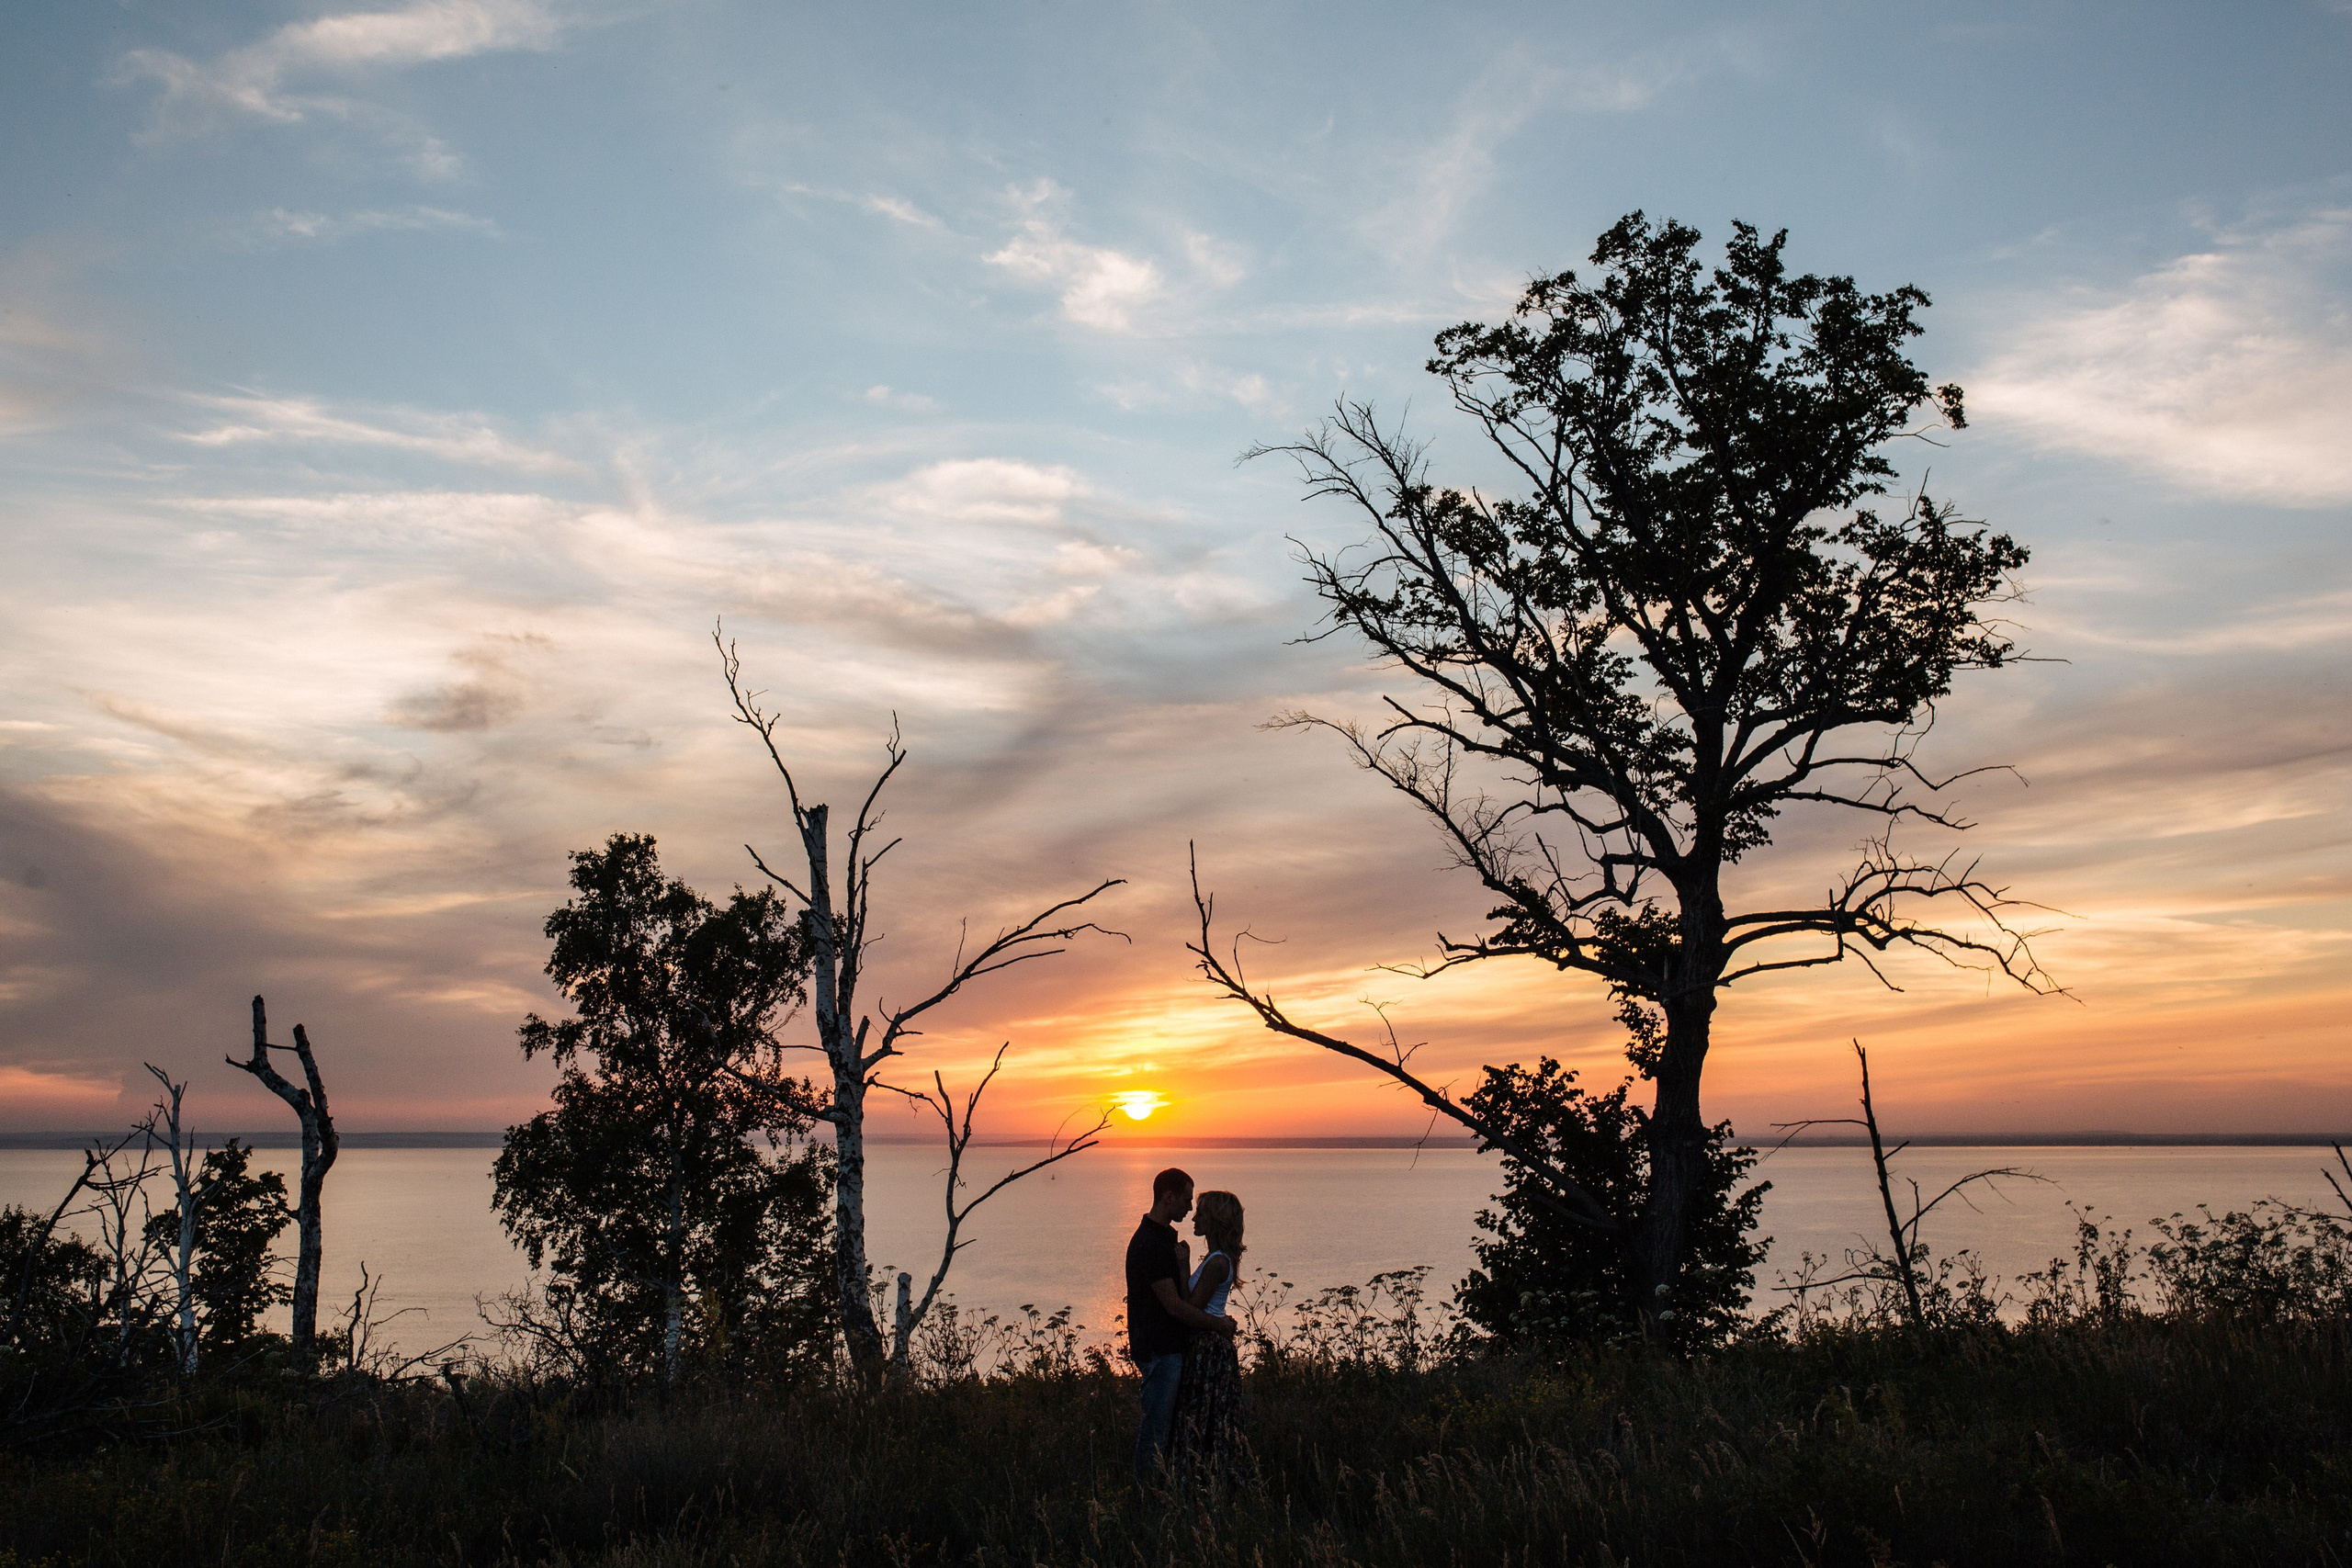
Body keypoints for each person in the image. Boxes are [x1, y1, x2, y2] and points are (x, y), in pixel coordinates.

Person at [1127, 1167, 1238, 1484]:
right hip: (1159, 1349)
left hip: (1170, 1349)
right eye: (1187, 1200)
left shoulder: (1165, 1241)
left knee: (1170, 1427)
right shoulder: (1151, 1244)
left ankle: (1165, 1490)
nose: (1190, 1208)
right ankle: (1147, 1494)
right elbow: (1175, 1306)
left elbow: (1183, 1299)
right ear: (1168, 1197)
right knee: (1156, 1430)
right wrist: (1219, 1325)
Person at [1167, 1188, 1245, 1483]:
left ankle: (1197, 1479)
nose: (1194, 1218)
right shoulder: (1217, 1258)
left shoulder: (1217, 1262)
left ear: (1214, 1220)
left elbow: (1191, 1307)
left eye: (1200, 1213)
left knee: (1200, 1412)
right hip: (1209, 1342)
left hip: (1207, 1348)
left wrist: (1182, 1265)